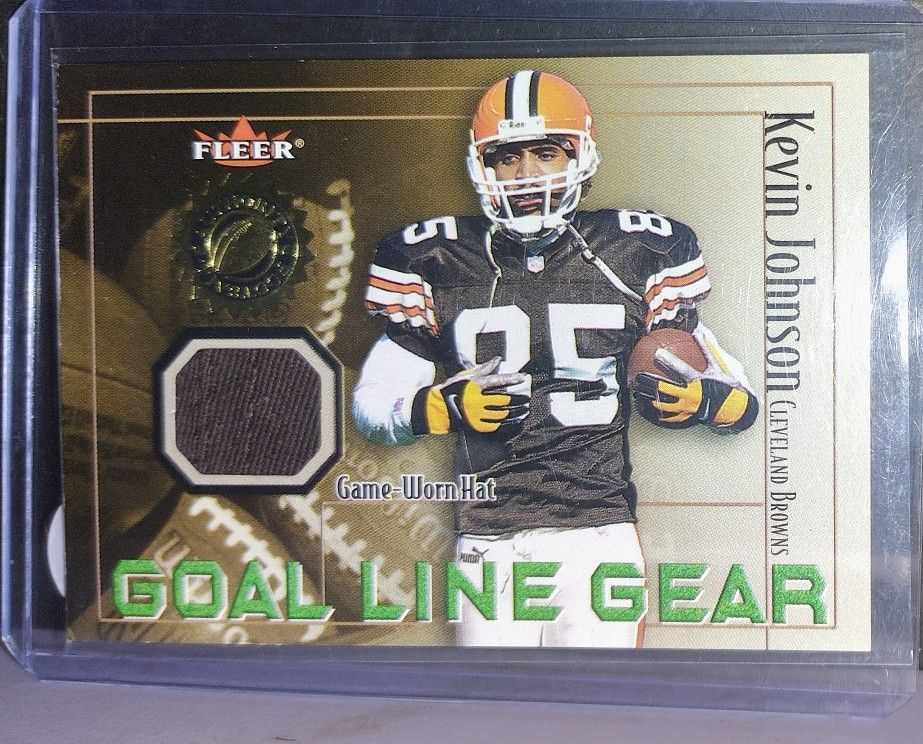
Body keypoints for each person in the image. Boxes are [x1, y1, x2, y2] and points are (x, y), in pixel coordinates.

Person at [352, 70, 757, 647]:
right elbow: (373, 408)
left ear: (580, 157)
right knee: (490, 700)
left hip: (598, 533)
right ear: (481, 165)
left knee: (598, 699)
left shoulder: (635, 251)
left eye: (545, 153)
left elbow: (742, 403)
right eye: (508, 157)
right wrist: (438, 409)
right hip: (488, 538)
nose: (526, 174)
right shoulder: (435, 257)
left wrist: (707, 400)